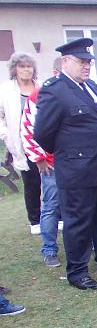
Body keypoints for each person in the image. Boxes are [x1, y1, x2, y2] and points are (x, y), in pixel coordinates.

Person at [33, 38, 97, 290]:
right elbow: (43, 133)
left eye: (89, 61)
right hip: (77, 170)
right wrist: (70, 153)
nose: (87, 66)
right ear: (65, 62)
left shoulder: (89, 85)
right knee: (78, 220)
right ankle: (77, 271)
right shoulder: (54, 90)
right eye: (82, 61)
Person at [20, 56, 63, 267]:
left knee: (78, 205)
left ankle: (85, 243)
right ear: (56, 73)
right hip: (52, 164)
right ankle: (49, 249)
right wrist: (39, 159)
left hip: (75, 162)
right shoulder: (38, 96)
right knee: (51, 206)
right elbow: (28, 130)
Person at [0, 52, 40, 234]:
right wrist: (6, 135)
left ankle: (58, 216)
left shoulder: (41, 86)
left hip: (44, 142)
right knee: (31, 183)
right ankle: (35, 220)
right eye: (22, 66)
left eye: (29, 66)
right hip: (22, 144)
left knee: (52, 182)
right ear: (15, 69)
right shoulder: (6, 90)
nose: (26, 70)